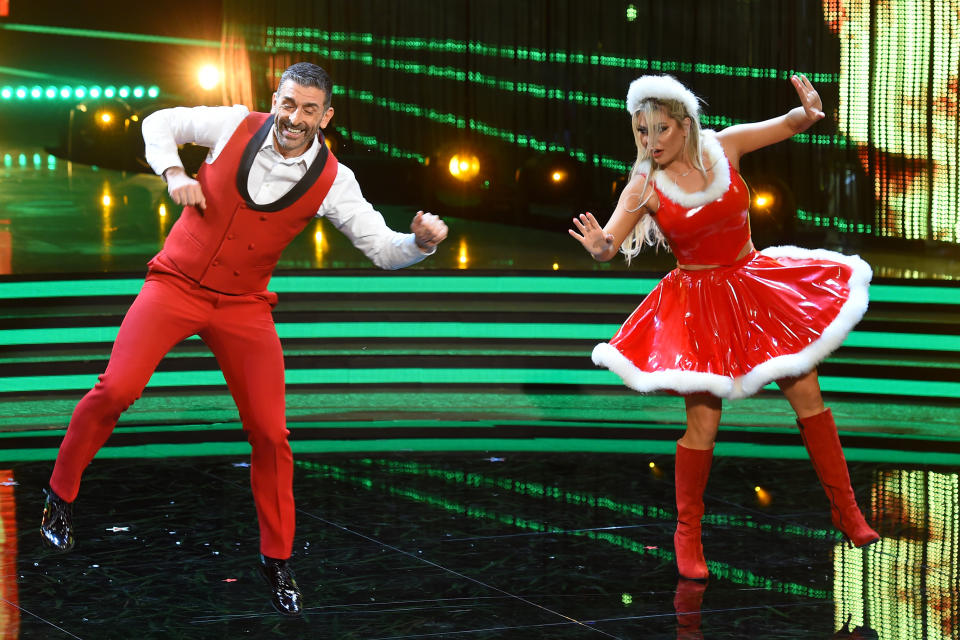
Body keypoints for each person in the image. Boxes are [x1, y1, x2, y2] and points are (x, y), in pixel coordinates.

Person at [40, 62, 448, 615]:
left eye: (309, 109)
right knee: (116, 389)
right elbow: (159, 123)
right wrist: (174, 174)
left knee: (271, 433)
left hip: (244, 307)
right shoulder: (233, 124)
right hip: (175, 285)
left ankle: (277, 561)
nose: (294, 117)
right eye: (288, 103)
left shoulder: (334, 180)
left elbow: (381, 249)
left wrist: (419, 243)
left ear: (325, 117)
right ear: (274, 100)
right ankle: (60, 494)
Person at [569, 74, 879, 581]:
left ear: (684, 123)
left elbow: (789, 124)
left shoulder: (723, 146)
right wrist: (598, 245)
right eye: (642, 132)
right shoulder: (643, 184)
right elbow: (608, 246)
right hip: (698, 305)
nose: (651, 141)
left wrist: (809, 111)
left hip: (756, 286)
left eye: (661, 129)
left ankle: (846, 510)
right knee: (704, 424)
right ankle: (687, 533)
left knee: (806, 391)